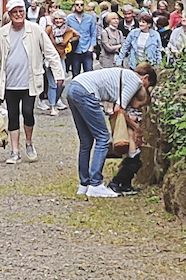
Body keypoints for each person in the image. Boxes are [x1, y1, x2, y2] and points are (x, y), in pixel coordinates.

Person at [0, 0, 65, 164]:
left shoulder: (35, 30)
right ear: (9, 14)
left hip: (30, 81)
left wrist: (58, 73)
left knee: (28, 112)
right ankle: (15, 151)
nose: (18, 15)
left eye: (21, 11)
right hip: (9, 83)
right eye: (14, 12)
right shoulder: (1, 33)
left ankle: (29, 142)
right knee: (12, 115)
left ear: (25, 12)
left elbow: (50, 52)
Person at [63, 64, 154, 198]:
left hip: (74, 87)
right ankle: (95, 184)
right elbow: (119, 109)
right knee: (103, 138)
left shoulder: (125, 75)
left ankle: (84, 184)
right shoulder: (135, 81)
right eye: (147, 85)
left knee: (86, 141)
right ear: (145, 78)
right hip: (86, 91)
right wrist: (136, 127)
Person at [68, 4, 98, 76]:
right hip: (75, 50)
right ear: (74, 6)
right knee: (76, 75)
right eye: (77, 5)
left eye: (81, 5)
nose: (79, 6)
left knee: (89, 74)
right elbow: (65, 30)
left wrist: (91, 47)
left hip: (87, 49)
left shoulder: (89, 18)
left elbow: (93, 32)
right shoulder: (69, 18)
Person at [97, 4, 126, 70]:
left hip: (117, 61)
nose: (116, 21)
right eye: (113, 19)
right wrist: (119, 45)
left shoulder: (119, 32)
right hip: (106, 61)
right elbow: (108, 48)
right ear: (109, 21)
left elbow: (123, 46)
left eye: (117, 19)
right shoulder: (105, 32)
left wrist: (114, 46)